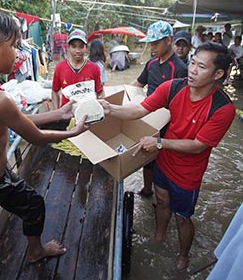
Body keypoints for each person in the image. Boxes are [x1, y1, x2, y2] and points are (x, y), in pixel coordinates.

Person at [0, 7, 89, 280]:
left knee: (33, 205)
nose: (20, 53)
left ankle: (35, 251)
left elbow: (18, 119)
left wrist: (60, 113)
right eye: (14, 46)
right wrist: (75, 132)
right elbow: (34, 136)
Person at [100, 42, 235, 271]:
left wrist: (159, 142)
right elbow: (139, 110)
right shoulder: (172, 87)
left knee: (183, 217)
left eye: (201, 67)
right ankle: (159, 236)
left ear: (218, 74)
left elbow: (198, 146)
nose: (192, 70)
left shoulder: (223, 108)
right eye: (192, 63)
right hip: (164, 163)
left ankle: (183, 255)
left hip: (188, 174)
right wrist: (109, 109)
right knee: (162, 202)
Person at [131, 20, 188, 198]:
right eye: (151, 42)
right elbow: (137, 85)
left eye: (156, 42)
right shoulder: (151, 64)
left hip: (168, 120)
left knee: (163, 159)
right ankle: (147, 190)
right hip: (148, 115)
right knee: (146, 155)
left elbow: (183, 103)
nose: (152, 46)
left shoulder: (180, 69)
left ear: (169, 41)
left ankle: (163, 196)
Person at [52, 29, 104, 109]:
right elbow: (55, 91)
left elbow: (100, 91)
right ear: (68, 47)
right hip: (66, 114)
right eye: (74, 46)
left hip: (88, 113)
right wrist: (56, 112)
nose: (77, 51)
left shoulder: (94, 69)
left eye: (81, 46)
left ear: (86, 47)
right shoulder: (60, 67)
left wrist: (98, 106)